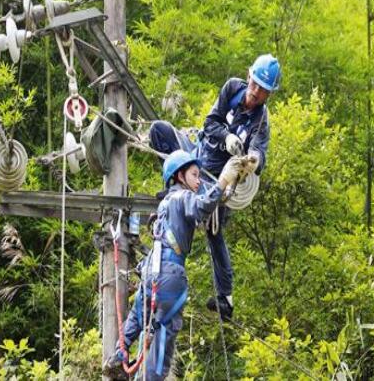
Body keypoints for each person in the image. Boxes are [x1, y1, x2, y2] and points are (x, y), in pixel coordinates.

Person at [149, 54, 281, 320]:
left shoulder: (260, 121)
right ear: (248, 77)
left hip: (218, 182)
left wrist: (253, 161)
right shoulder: (232, 88)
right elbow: (211, 122)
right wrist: (226, 136)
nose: (255, 93)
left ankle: (226, 298)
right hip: (196, 157)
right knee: (159, 131)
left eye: (262, 91)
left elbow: (259, 154)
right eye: (254, 85)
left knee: (214, 232)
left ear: (269, 94)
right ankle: (176, 193)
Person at [104, 150, 250, 380]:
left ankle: (118, 356)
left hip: (151, 271)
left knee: (138, 317)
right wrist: (223, 179)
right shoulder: (183, 197)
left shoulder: (164, 206)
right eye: (194, 174)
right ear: (180, 176)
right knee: (165, 331)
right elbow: (202, 206)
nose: (198, 179)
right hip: (170, 274)